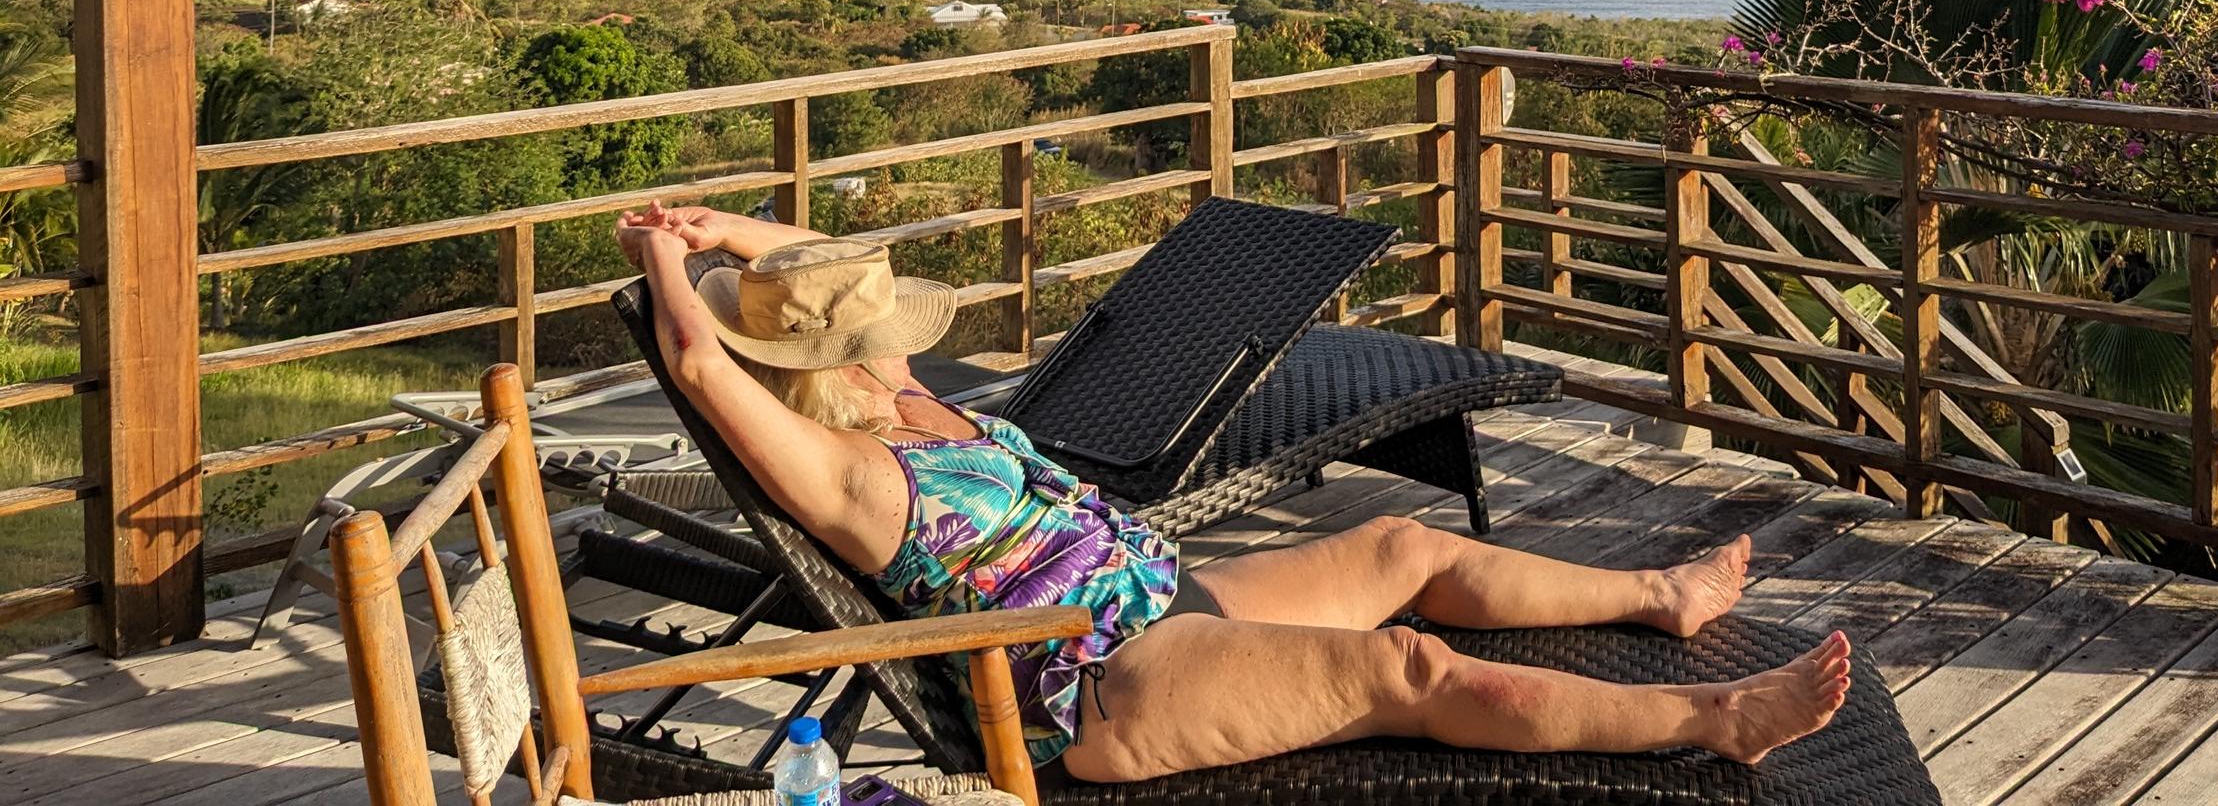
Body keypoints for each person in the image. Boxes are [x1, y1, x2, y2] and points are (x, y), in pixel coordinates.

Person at [616, 201, 1851, 785]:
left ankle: (1658, 596)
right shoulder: (847, 470)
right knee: (1404, 672)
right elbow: (691, 361)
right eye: (872, 320)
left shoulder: (907, 399)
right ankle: (1713, 718)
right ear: (830, 363)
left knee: (1400, 546)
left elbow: (824, 282)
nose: (894, 322)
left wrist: (729, 232)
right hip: (1092, 679)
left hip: (1153, 592)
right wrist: (667, 269)